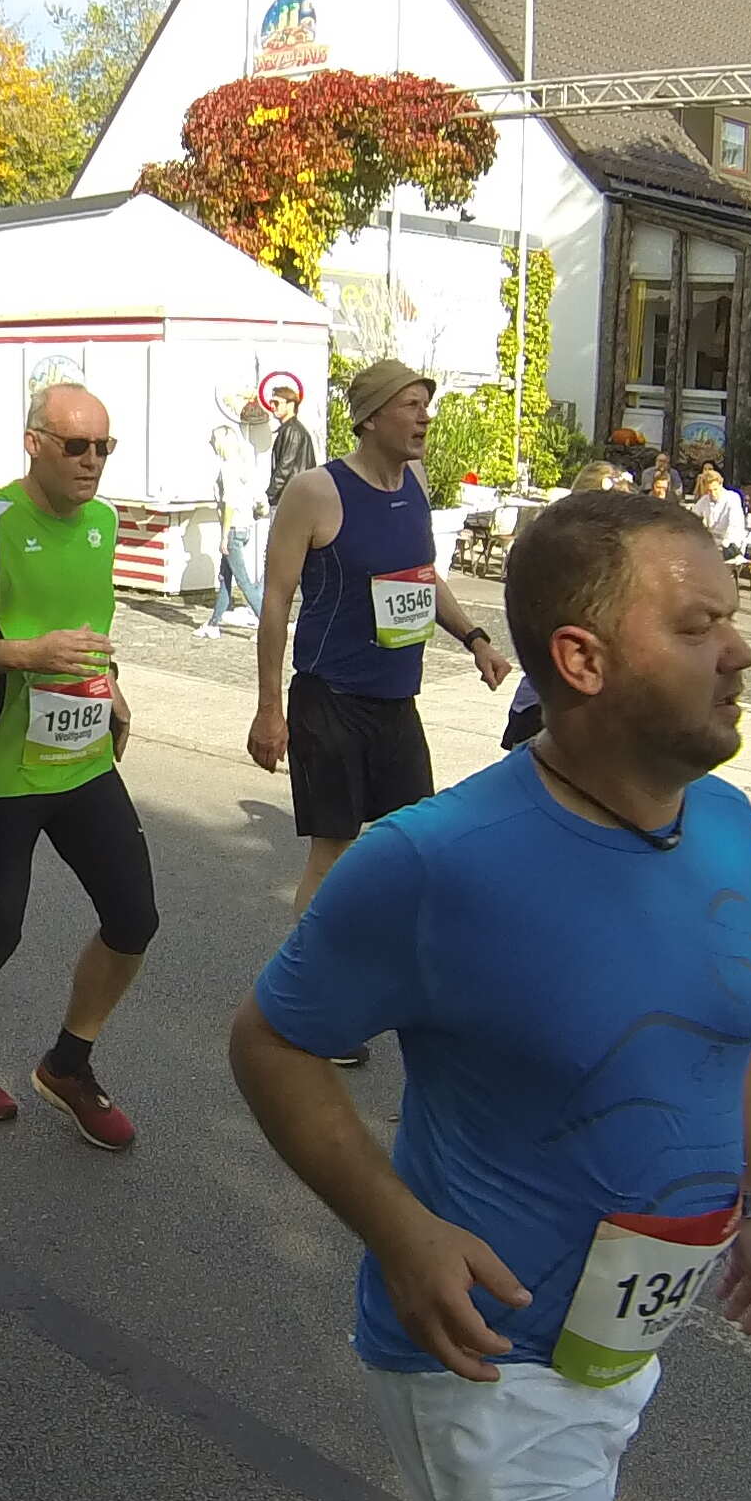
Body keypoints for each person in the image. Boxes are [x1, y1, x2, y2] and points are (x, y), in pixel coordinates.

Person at [228, 490, 751, 1501]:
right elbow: (271, 1043)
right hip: (480, 1344)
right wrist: (401, 1229)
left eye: (734, 619)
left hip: (622, 1330)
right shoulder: (436, 862)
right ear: (584, 658)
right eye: (702, 623)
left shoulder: (727, 822)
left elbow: (737, 1023)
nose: (742, 650)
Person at [0, 382, 157, 1151]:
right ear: (34, 443)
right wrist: (23, 655)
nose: (91, 460)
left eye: (103, 446)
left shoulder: (103, 524)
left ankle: (67, 1066)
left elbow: (86, 629)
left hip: (81, 759)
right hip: (1, 769)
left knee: (134, 918)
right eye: (75, 445)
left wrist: (111, 685)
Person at [250, 359, 511, 1058]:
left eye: (427, 404)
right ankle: (308, 1005)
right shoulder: (317, 491)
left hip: (397, 701)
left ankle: (387, 989)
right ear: (370, 418)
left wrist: (476, 640)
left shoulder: (416, 485)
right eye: (411, 405)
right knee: (332, 855)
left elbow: (423, 578)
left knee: (412, 850)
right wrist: (269, 708)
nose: (425, 417)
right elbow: (275, 601)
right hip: (329, 696)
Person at [197, 417, 266, 640]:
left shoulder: (227, 468)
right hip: (244, 527)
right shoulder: (243, 465)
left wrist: (224, 536)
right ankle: (213, 623)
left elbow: (229, 503)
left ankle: (267, 625)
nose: (211, 444)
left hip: (233, 529)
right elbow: (257, 498)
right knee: (225, 578)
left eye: (213, 440)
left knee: (243, 581)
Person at [262, 379, 316, 508]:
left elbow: (284, 468)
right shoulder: (291, 429)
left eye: (276, 403)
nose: (272, 407)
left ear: (290, 405)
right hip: (295, 498)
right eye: (271, 403)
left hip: (292, 499)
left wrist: (269, 496)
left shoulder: (292, 430)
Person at [689, 465, 751, 557]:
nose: (713, 493)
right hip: (711, 544)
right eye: (709, 491)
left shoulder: (732, 498)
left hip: (731, 544)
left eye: (715, 489)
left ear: (721, 484)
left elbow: (734, 527)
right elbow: (691, 518)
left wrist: (723, 546)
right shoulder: (704, 500)